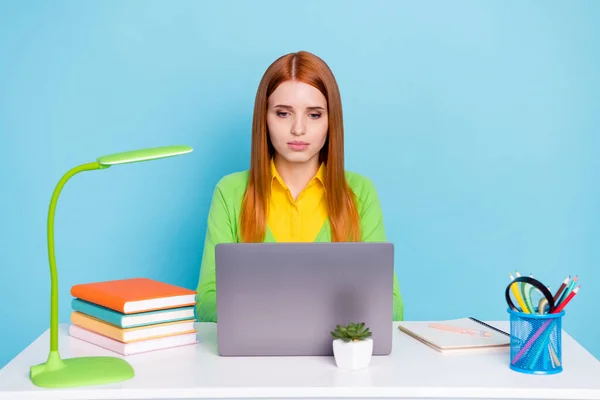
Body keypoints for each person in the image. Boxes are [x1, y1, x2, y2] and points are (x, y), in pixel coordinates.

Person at [195, 50, 404, 322]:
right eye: (283, 113)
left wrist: (267, 306)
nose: (298, 129)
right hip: (253, 360)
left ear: (331, 121)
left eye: (314, 115)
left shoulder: (360, 192)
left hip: (336, 360)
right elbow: (208, 302)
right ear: (264, 118)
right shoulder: (231, 192)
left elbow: (391, 306)